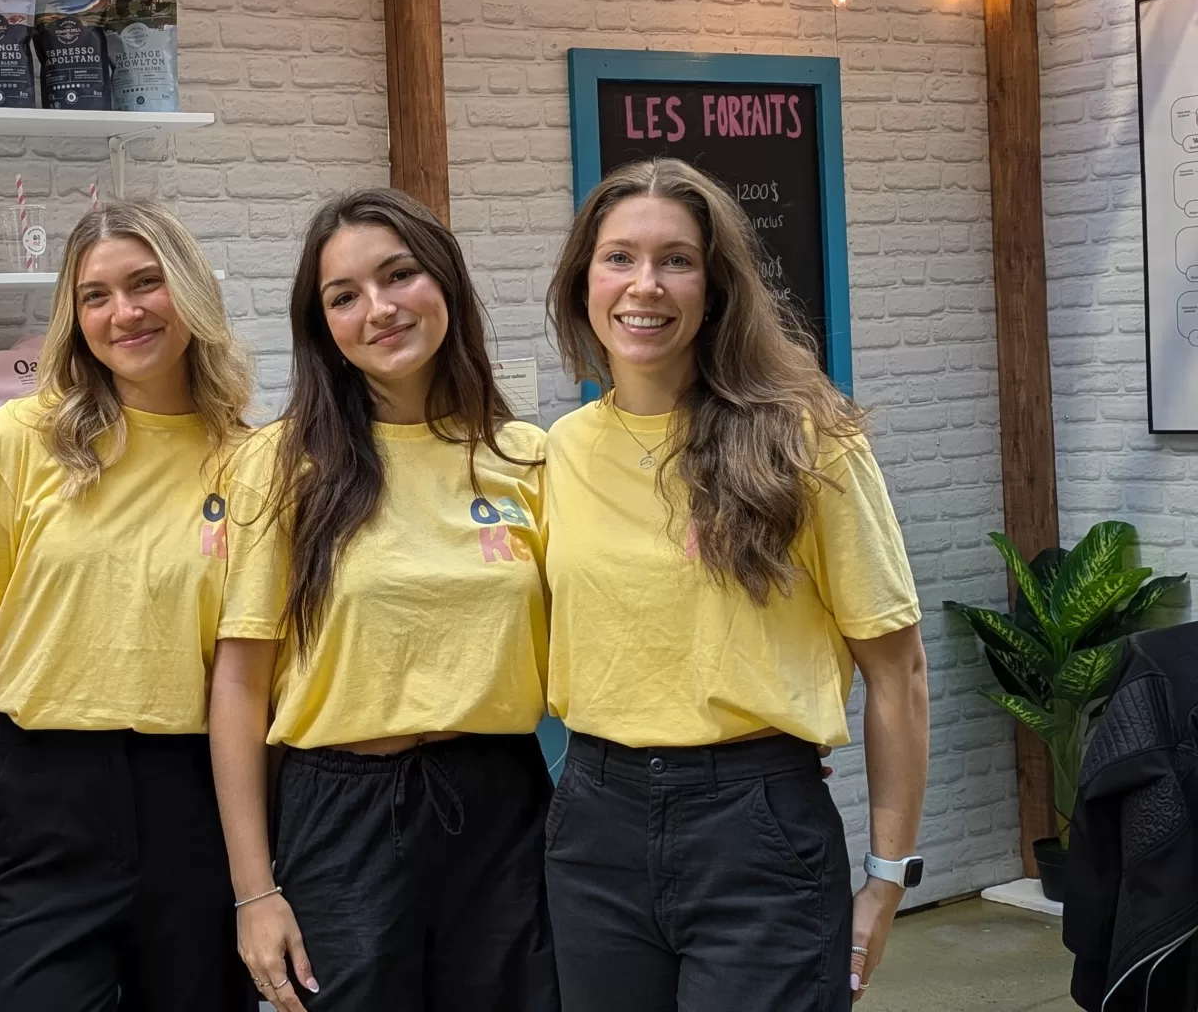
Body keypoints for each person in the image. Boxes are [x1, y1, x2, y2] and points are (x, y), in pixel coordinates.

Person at [540, 157, 930, 1012]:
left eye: (676, 260)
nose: (645, 285)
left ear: (716, 288)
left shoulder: (805, 442)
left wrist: (887, 876)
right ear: (582, 282)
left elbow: (897, 671)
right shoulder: (559, 452)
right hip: (594, 818)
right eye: (619, 258)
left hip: (755, 823)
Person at [209, 187, 560, 1012]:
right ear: (322, 326)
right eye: (344, 296)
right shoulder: (279, 465)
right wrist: (254, 891)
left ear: (445, 280)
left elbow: (605, 626)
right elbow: (240, 684)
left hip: (504, 808)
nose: (379, 309)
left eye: (399, 275)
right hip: (340, 817)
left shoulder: (529, 457)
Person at [0, 199, 255, 1011]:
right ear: (74, 319)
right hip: (42, 800)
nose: (125, 313)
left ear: (190, 289)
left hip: (195, 802)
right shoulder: (15, 443)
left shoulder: (250, 462)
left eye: (146, 283)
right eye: (96, 296)